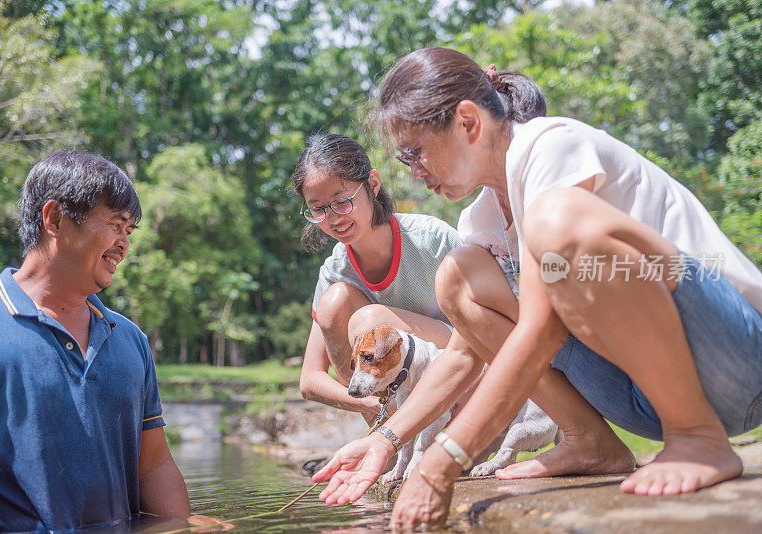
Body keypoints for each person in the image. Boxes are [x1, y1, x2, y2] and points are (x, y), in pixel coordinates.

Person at [312, 47, 762, 529]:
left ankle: (696, 433)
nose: (413, 170)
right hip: (641, 397)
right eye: (404, 157)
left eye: (416, 151)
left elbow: (541, 329)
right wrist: (387, 438)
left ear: (467, 121)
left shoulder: (551, 145)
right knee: (458, 277)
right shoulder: (480, 221)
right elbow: (466, 355)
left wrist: (444, 460)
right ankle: (590, 440)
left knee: (557, 226)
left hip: (734, 362)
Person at [0, 151, 221, 531]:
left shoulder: (130, 339)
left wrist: (180, 525)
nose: (123, 244)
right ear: (55, 219)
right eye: (116, 225)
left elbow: (154, 464)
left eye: (129, 231)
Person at [293, 134, 461, 424]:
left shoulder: (433, 240)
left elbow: (484, 330)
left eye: (342, 202)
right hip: (390, 403)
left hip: (458, 368)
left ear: (372, 184)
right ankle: (390, 433)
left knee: (367, 321)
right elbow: (310, 380)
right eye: (318, 209)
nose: (333, 219)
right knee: (333, 302)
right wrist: (370, 405)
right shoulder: (335, 271)